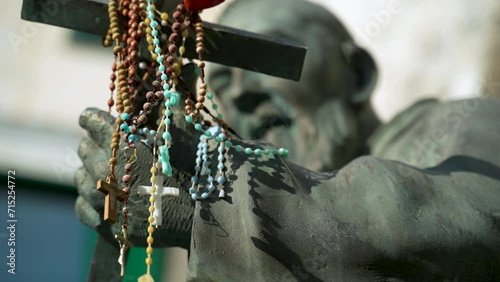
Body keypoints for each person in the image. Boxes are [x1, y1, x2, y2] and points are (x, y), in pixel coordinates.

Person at [75, 0, 500, 280]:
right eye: (220, 80)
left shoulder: (460, 130)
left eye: (262, 62)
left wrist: (212, 209)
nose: (240, 92)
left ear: (357, 76)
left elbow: (461, 224)